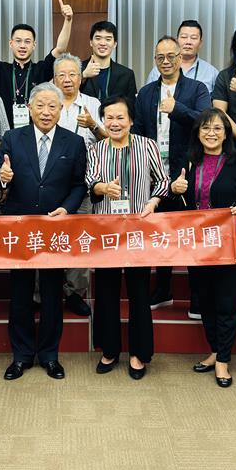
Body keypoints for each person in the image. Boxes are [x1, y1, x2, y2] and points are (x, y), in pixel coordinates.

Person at [0, 84, 88, 381]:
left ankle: (50, 355)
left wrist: (68, 209)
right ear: (30, 109)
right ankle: (21, 355)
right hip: (20, 226)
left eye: (52, 106)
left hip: (54, 226)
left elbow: (78, 185)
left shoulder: (73, 142)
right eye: (40, 106)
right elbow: (0, 182)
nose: (46, 112)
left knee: (51, 293)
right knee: (20, 293)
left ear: (61, 110)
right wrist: (4, 179)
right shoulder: (11, 138)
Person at [171, 109, 236, 388]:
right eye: (206, 128)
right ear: (197, 132)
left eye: (217, 128)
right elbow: (176, 208)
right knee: (204, 301)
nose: (211, 133)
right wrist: (177, 190)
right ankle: (215, 350)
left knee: (227, 303)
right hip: (199, 246)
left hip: (232, 245)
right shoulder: (189, 162)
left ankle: (223, 361)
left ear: (226, 132)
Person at [86, 95, 170, 380]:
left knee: (139, 291)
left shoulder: (147, 146)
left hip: (139, 230)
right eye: (109, 117)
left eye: (120, 117)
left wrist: (154, 202)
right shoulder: (96, 149)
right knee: (107, 291)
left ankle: (138, 353)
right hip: (107, 231)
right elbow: (90, 182)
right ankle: (109, 350)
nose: (115, 122)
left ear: (131, 120)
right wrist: (101, 188)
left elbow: (162, 181)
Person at [134, 36, 211, 316]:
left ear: (180, 58)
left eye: (171, 56)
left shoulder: (196, 88)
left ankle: (198, 297)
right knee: (159, 232)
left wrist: (176, 109)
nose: (165, 61)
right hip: (154, 172)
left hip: (187, 171)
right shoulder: (145, 93)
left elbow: (206, 122)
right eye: (160, 57)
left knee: (189, 233)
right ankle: (162, 289)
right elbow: (139, 134)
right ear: (155, 61)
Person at [0, 0, 75, 128]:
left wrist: (68, 20)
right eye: (18, 41)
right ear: (11, 44)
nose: (22, 45)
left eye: (27, 42)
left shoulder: (41, 69)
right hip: (6, 132)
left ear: (34, 45)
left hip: (35, 131)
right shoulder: (1, 70)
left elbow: (60, 48)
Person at [52, 54, 106, 317]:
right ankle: (43, 293)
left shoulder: (92, 104)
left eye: (72, 74)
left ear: (81, 76)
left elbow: (109, 139)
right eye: (62, 74)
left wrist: (93, 125)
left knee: (80, 238)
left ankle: (74, 292)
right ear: (54, 78)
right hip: (49, 182)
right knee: (48, 235)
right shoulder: (48, 102)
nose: (67, 79)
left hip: (83, 182)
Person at [146, 19, 219, 94]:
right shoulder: (158, 70)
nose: (188, 42)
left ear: (200, 43)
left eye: (193, 38)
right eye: (184, 37)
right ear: (176, 40)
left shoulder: (212, 73)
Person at [79, 21, 137, 104]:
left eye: (108, 39)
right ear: (91, 42)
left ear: (115, 44)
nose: (102, 43)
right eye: (98, 38)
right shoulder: (77, 69)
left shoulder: (126, 74)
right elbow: (65, 95)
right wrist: (83, 76)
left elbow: (131, 108)